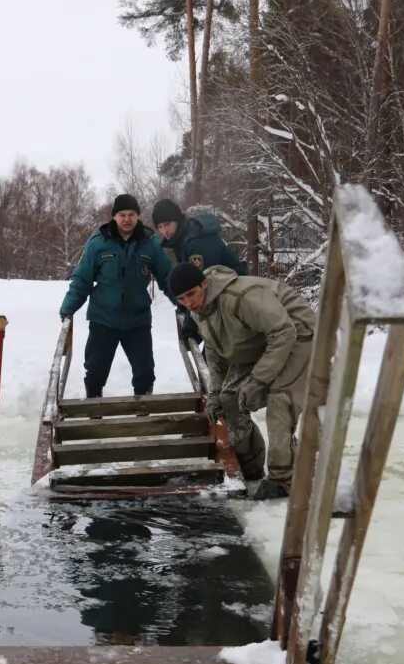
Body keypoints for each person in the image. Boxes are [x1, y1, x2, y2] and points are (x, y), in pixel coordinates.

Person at [167, 261, 320, 500]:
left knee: (280, 399)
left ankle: (283, 479)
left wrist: (258, 380)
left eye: (191, 294)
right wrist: (216, 393)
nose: (189, 303)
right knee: (230, 397)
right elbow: (216, 354)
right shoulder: (200, 312)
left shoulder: (241, 296)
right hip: (258, 341)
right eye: (182, 299)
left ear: (204, 284)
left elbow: (283, 332)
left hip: (299, 335)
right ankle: (250, 461)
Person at [60, 193, 174, 399]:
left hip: (137, 320)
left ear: (138, 216)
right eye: (122, 214)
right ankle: (95, 411)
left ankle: (143, 413)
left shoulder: (150, 244)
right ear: (114, 217)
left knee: (145, 372)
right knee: (95, 371)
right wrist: (68, 308)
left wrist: (183, 304)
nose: (127, 219)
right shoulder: (98, 243)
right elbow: (82, 280)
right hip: (103, 318)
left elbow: (168, 279)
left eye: (131, 214)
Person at [152, 198, 246, 339]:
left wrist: (191, 325)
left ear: (177, 220)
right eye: (159, 227)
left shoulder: (196, 241)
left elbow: (203, 287)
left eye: (167, 224)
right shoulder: (182, 239)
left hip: (235, 298)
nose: (164, 230)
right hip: (223, 298)